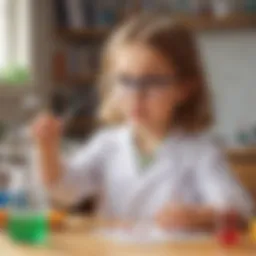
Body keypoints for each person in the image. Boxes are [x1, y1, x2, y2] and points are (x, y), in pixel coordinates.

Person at [32, 13, 252, 230]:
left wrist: (199, 215)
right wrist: (47, 148)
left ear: (184, 88)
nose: (136, 94)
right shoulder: (107, 144)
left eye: (152, 81)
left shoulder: (200, 152)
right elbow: (63, 189)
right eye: (125, 81)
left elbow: (238, 209)